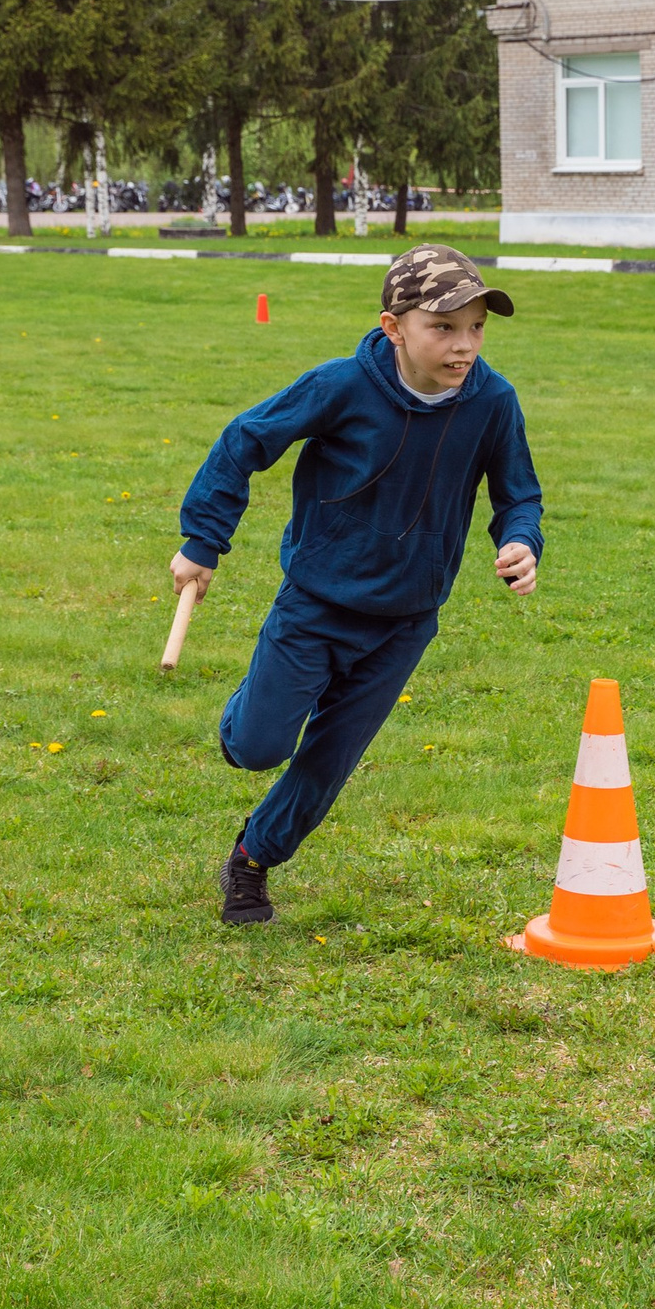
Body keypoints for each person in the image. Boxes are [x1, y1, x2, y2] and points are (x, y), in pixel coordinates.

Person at [172, 244, 544, 926]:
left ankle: (253, 858)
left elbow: (518, 493)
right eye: (443, 327)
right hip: (316, 606)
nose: (464, 345)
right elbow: (245, 440)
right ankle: (247, 716)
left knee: (328, 762)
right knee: (258, 748)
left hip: (405, 621)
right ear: (393, 327)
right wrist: (203, 541)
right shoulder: (340, 386)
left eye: (476, 327)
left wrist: (520, 539)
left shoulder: (493, 401)